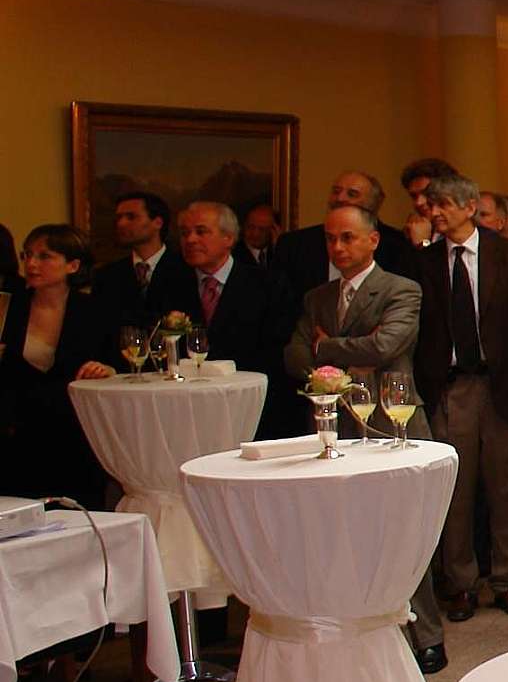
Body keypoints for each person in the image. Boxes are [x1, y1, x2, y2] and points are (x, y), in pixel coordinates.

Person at [282, 204, 446, 671]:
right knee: (344, 531)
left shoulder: (401, 288)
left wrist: (326, 346)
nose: (338, 247)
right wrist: (341, 355)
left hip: (392, 420)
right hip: (334, 425)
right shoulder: (317, 297)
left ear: (372, 240)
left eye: (348, 238)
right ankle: (355, 629)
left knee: (404, 530)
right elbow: (294, 357)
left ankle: (426, 634)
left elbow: (386, 345)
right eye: (331, 239)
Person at [415, 174, 508, 622]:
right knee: (455, 490)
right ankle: (461, 583)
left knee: (506, 486)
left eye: (445, 205)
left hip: (503, 385)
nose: (436, 213)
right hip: (451, 387)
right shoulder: (425, 261)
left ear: (469, 207)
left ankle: (507, 580)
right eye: (431, 206)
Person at [0, 223, 116, 509]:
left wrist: (106, 369)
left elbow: (119, 363)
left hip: (75, 433)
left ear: (73, 265)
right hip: (17, 436)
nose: (32, 264)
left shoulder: (95, 310)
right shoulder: (8, 306)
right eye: (27, 255)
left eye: (44, 256)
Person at [159, 202, 298, 437]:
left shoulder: (268, 284)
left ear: (229, 238)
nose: (190, 240)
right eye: (184, 233)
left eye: (201, 232)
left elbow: (276, 350)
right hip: (185, 412)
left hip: (252, 409)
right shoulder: (170, 284)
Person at [273, 171, 418, 290]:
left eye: (352, 194)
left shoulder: (397, 244)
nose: (340, 198)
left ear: (374, 204)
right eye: (336, 192)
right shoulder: (293, 244)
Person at [87, 190, 173, 327]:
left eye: (131, 217)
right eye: (119, 218)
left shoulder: (185, 269)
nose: (121, 223)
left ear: (157, 222)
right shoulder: (107, 275)